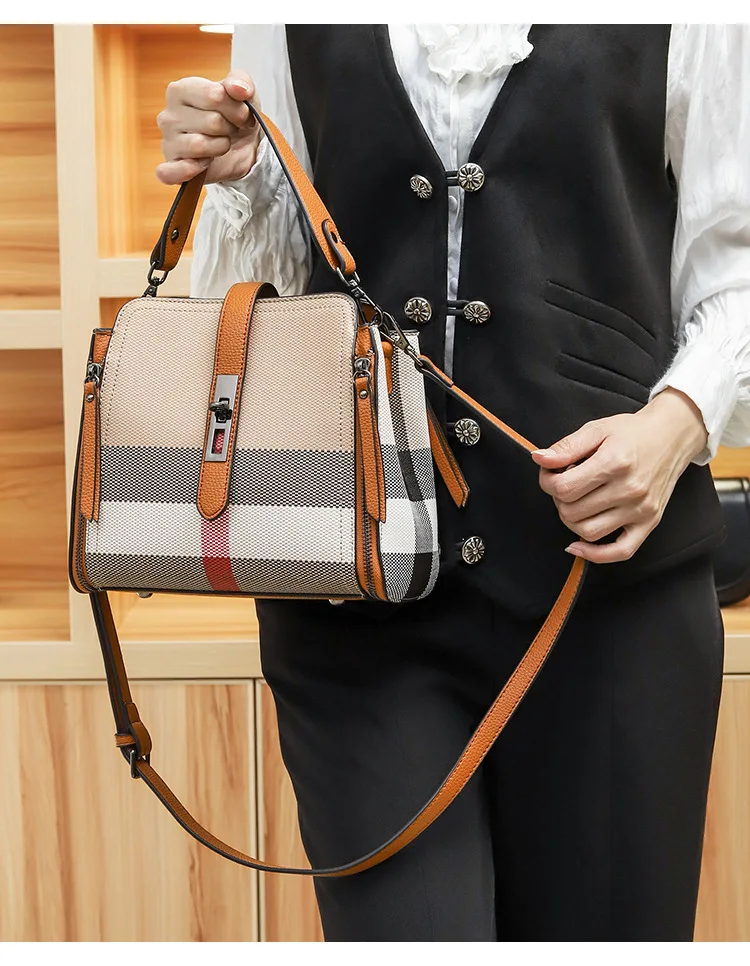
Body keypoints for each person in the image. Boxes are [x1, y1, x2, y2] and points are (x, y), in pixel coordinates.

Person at [157, 25, 750, 941]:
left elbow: (736, 263)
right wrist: (243, 175)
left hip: (611, 606)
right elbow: (270, 285)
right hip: (356, 601)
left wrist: (673, 427)